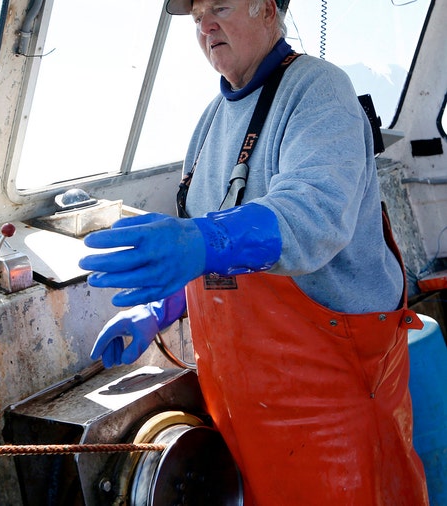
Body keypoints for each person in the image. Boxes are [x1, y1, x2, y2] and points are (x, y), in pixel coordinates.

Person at [78, 0, 429, 504]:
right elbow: (210, 256)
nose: (206, 25)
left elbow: (312, 216)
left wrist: (200, 241)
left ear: (268, 9)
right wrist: (161, 309)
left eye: (219, 5)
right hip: (243, 415)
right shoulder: (208, 125)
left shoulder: (319, 91)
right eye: (197, 16)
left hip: (332, 408)